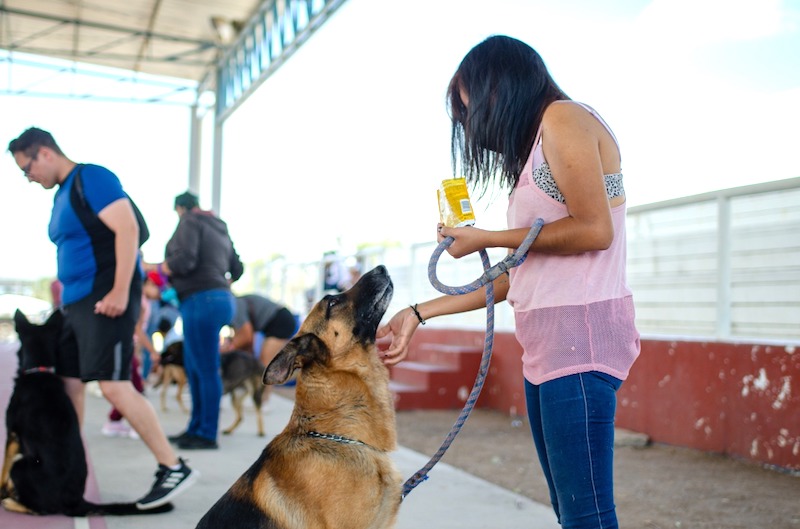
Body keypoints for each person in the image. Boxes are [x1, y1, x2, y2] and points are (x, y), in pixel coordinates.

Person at [376, 36, 640, 529]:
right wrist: (419, 313)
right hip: (547, 348)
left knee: (587, 516)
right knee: (571, 513)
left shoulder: (564, 118)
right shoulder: (537, 146)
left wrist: (488, 236)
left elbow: (594, 229)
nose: (470, 119)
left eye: (470, 102)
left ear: (502, 84)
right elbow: (519, 275)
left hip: (578, 343)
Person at [8, 127, 197, 510]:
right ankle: (66, 472)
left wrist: (117, 289)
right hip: (75, 307)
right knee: (69, 385)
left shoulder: (91, 177)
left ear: (44, 153)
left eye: (26, 168)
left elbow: (127, 229)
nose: (29, 178)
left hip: (105, 300)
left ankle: (172, 466)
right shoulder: (62, 195)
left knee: (112, 386)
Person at [150, 191, 243, 450]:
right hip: (220, 299)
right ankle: (195, 428)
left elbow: (185, 260)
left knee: (203, 369)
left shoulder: (189, 220)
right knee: (194, 367)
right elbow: (237, 269)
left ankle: (206, 434)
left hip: (201, 301)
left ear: (180, 208)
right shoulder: (219, 226)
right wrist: (219, 283)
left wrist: (156, 268)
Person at [220, 294, 298, 400]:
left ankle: (263, 399)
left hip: (280, 320)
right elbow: (247, 340)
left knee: (265, 364)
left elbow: (246, 336)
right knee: (260, 364)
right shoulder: (232, 307)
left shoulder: (235, 306)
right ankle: (258, 395)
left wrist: (228, 348)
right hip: (273, 322)